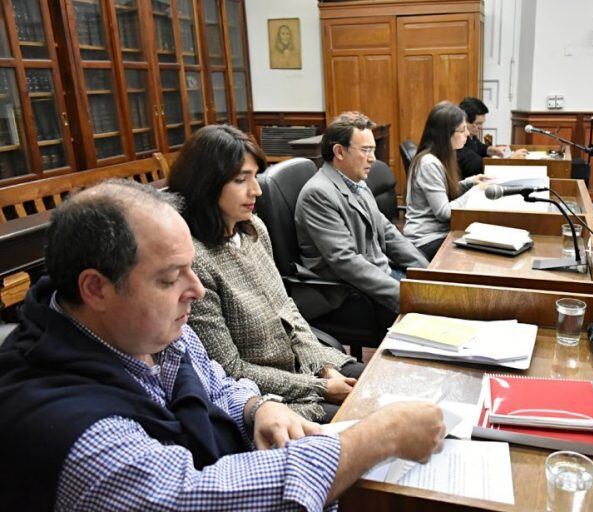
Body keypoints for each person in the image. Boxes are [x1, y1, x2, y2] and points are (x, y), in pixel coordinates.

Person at [0, 179, 445, 511]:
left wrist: (257, 407)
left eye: (190, 269)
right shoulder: (71, 430)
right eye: (170, 278)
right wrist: (380, 437)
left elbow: (216, 383)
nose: (195, 289)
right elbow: (195, 497)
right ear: (96, 289)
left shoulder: (148, 330)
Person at [168, 125, 364, 424]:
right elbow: (230, 369)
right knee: (360, 421)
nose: (257, 190)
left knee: (381, 383)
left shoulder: (254, 229)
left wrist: (322, 367)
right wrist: (321, 387)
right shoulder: (195, 261)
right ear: (205, 185)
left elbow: (286, 307)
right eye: (240, 180)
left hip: (305, 363)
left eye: (255, 177)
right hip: (269, 395)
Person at [295, 112, 428, 323]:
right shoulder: (318, 193)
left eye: (372, 150)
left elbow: (388, 231)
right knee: (437, 319)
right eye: (365, 150)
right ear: (339, 151)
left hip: (383, 273)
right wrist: (405, 295)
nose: (373, 158)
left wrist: (426, 271)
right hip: (353, 292)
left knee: (447, 301)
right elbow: (346, 262)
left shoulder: (357, 182)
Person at [404, 102, 492, 260]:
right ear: (447, 134)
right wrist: (475, 192)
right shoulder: (428, 163)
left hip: (439, 232)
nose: (467, 134)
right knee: (481, 252)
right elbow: (444, 213)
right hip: (426, 239)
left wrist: (471, 182)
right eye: (462, 129)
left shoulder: (441, 156)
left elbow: (443, 191)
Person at [457, 96, 527, 178]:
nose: (481, 127)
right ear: (464, 121)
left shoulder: (471, 136)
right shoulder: (459, 140)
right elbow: (478, 165)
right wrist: (509, 159)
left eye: (482, 123)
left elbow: (480, 148)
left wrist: (493, 150)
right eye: (478, 123)